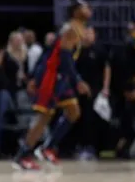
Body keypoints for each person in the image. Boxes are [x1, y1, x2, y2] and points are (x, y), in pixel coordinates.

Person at [13, 23, 85, 171]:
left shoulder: (70, 37)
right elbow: (56, 60)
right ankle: (22, 155)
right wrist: (77, 80)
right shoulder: (67, 35)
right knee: (42, 119)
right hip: (51, 81)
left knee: (74, 111)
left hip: (62, 81)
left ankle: (48, 147)